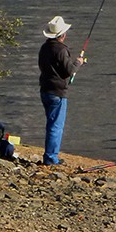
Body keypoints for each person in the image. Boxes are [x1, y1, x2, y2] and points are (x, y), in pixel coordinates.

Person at [37, 15, 85, 166]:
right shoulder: (61, 50)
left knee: (51, 123)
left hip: (45, 90)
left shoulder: (44, 48)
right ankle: (51, 159)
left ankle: (50, 156)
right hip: (57, 92)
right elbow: (68, 71)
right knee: (55, 126)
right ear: (62, 35)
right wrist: (78, 62)